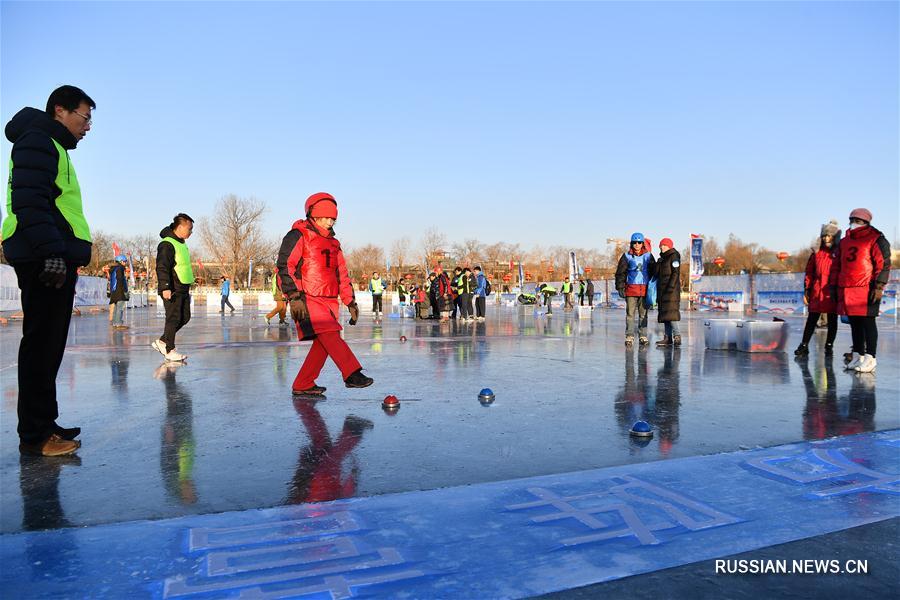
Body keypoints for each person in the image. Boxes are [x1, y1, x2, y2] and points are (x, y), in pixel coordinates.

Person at [3, 85, 95, 456]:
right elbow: (29, 200)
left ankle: (45, 423)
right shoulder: (38, 140)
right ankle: (35, 436)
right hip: (44, 257)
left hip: (51, 254)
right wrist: (51, 252)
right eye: (84, 117)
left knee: (50, 345)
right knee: (41, 345)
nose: (87, 127)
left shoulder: (50, 145)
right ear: (61, 110)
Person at [277, 192, 372, 395]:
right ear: (313, 215)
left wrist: (350, 301)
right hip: (307, 298)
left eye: (333, 219)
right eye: (325, 217)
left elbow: (342, 274)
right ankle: (352, 373)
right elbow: (285, 266)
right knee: (330, 336)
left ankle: (303, 384)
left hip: (329, 300)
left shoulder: (334, 244)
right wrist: (294, 296)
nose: (329, 222)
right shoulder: (298, 235)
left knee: (325, 342)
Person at [830, 208, 891, 373]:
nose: (854, 223)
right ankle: (858, 355)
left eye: (857, 220)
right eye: (852, 219)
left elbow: (883, 263)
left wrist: (879, 285)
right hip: (847, 288)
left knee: (868, 322)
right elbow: (836, 266)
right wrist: (834, 286)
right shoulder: (844, 241)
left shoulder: (876, 238)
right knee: (854, 324)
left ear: (866, 222)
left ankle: (871, 358)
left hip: (867, 288)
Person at [153, 213, 195, 362]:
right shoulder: (167, 244)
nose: (191, 232)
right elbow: (162, 267)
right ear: (180, 226)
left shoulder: (181, 243)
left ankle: (163, 341)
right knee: (173, 318)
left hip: (183, 287)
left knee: (185, 317)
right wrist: (165, 286)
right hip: (172, 288)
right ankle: (169, 350)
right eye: (189, 229)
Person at [795, 221, 841, 357]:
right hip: (817, 290)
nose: (826, 239)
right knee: (812, 319)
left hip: (831, 292)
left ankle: (829, 346)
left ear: (834, 237)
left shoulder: (839, 253)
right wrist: (807, 290)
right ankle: (804, 345)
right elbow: (809, 272)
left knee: (832, 320)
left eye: (829, 236)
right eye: (824, 236)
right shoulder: (817, 253)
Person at [615, 232, 656, 346]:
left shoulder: (648, 256)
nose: (637, 245)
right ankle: (629, 336)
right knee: (630, 314)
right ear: (631, 244)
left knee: (643, 315)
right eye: (634, 242)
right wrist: (620, 287)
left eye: (639, 242)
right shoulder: (626, 256)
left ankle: (643, 335)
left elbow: (654, 272)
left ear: (642, 244)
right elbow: (620, 273)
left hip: (645, 290)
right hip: (631, 289)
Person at [654, 238, 682, 347]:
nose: (662, 247)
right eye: (661, 245)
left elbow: (675, 273)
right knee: (665, 315)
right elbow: (656, 274)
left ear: (669, 246)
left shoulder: (674, 256)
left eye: (664, 245)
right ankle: (667, 338)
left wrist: (670, 287)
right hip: (662, 290)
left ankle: (677, 336)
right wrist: (658, 263)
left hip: (671, 291)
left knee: (671, 314)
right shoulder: (662, 259)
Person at [108, 255, 130, 330]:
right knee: (120, 307)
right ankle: (118, 324)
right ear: (121, 261)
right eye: (124, 261)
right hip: (119, 290)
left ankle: (115, 323)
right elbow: (120, 279)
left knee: (116, 307)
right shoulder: (120, 268)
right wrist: (124, 290)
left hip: (114, 291)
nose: (125, 263)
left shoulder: (113, 269)